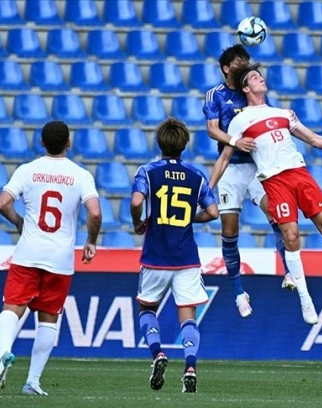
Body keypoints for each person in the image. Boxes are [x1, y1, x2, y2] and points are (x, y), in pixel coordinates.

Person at [210, 64, 322, 325]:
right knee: (291, 236)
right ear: (245, 88)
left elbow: (314, 140)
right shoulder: (239, 121)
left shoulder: (284, 113)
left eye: (260, 75)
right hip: (274, 181)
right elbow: (225, 157)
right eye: (254, 77)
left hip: (299, 173)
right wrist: (209, 189)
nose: (261, 79)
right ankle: (305, 298)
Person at [0, 121, 102, 396]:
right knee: (49, 320)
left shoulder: (27, 170)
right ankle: (32, 382)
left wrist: (19, 222)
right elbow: (95, 213)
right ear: (69, 143)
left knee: (11, 309)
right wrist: (90, 241)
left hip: (28, 253)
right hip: (60, 259)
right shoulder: (80, 175)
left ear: (41, 143)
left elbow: (2, 202)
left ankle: (4, 353)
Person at [203, 44, 294, 319]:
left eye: (246, 59)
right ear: (227, 67)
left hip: (256, 165)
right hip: (231, 167)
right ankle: (239, 292)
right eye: (240, 60)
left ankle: (289, 271)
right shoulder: (215, 95)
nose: (246, 63)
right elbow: (212, 129)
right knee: (230, 231)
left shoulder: (250, 91)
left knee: (276, 214)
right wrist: (234, 141)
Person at [131, 118, 219, 393]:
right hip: (186, 258)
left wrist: (139, 221)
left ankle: (157, 353)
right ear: (184, 145)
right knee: (188, 315)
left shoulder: (147, 171)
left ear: (159, 143)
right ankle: (190, 367)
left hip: (156, 255)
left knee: (147, 309)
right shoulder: (196, 175)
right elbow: (214, 212)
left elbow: (136, 202)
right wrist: (189, 218)